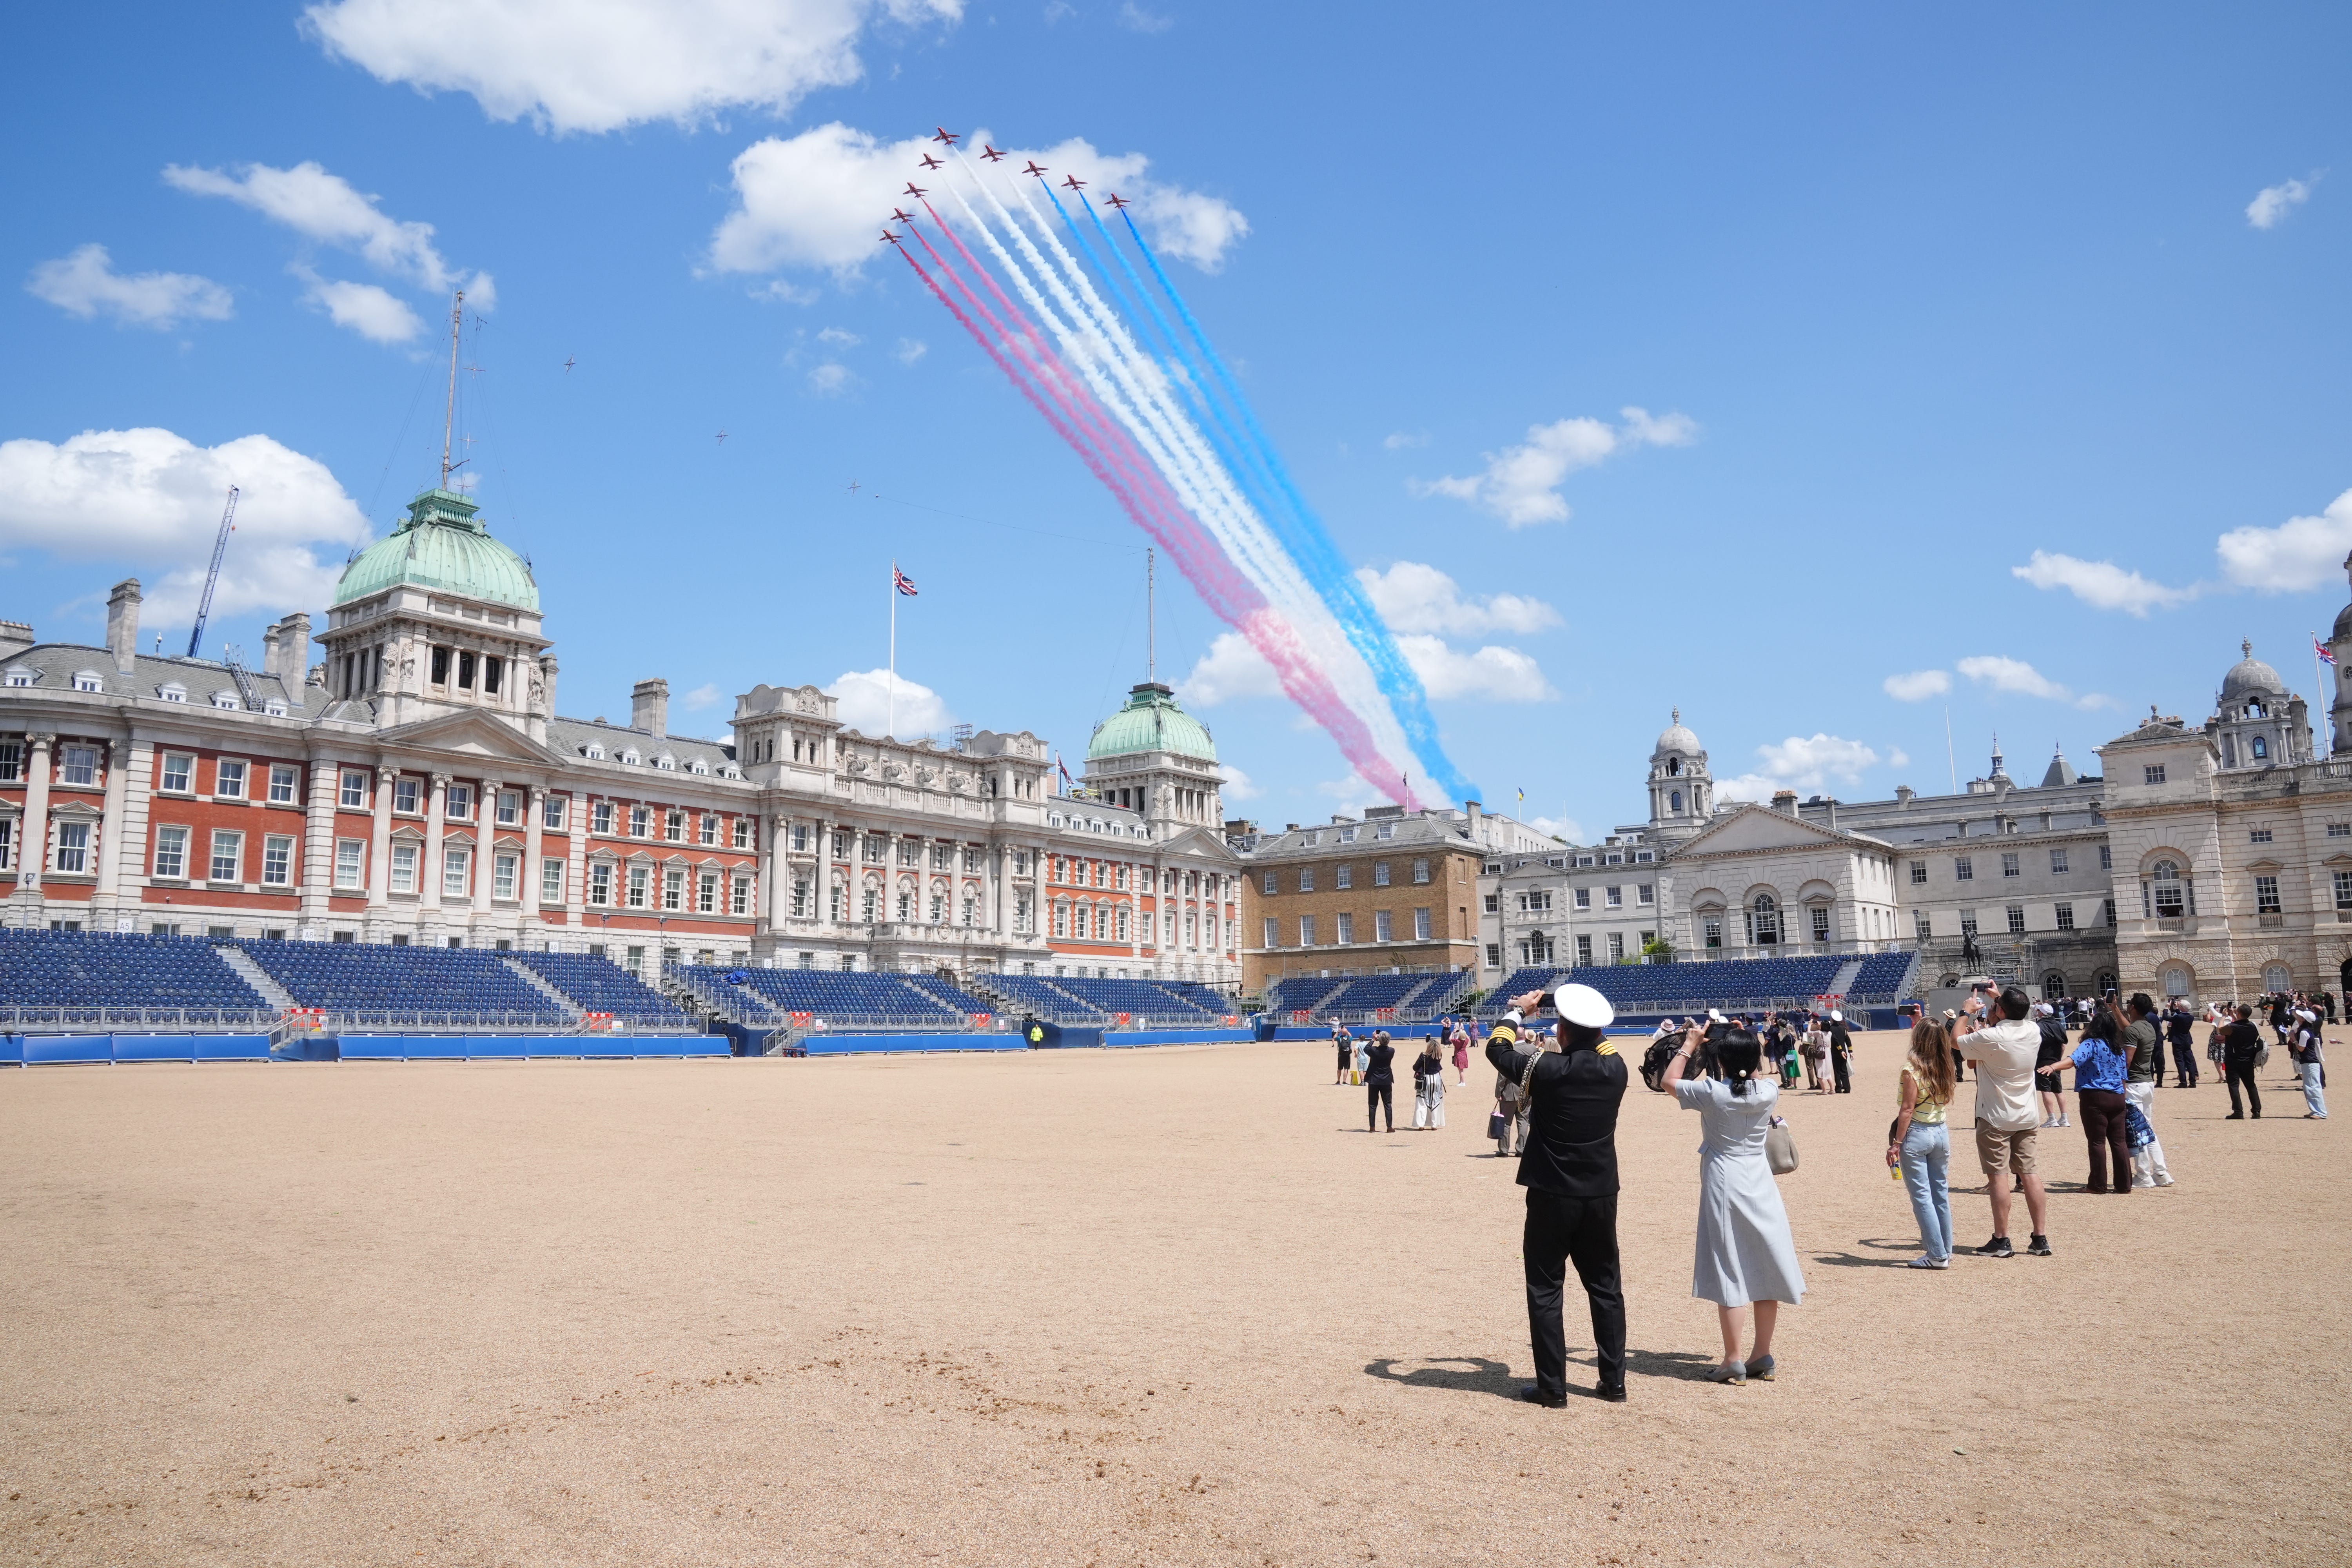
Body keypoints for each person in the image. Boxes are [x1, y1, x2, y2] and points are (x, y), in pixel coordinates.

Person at [1487, 984, 1630, 1406]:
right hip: (1601, 1190)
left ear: (1563, 1030)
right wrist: (1586, 1022)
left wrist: (1519, 1012)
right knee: (1606, 1287)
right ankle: (1614, 1382)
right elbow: (1602, 1046)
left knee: (1546, 1288)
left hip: (1551, 1190)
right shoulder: (1615, 1068)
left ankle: (1553, 1387)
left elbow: (1497, 1048)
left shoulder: (1546, 1068)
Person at [1661, 1023, 1805, 1383]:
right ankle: (1762, 1354)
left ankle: (1733, 1359)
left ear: (1720, 1061)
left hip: (1723, 1177)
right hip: (1759, 1178)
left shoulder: (1712, 1093)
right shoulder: (1769, 1091)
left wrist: (1690, 1044)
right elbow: (1751, 1073)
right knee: (1765, 1264)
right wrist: (1739, 1046)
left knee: (1730, 1266)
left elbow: (1668, 1081)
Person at [1953, 985, 2054, 1258]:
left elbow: (1955, 1041)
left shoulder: (1991, 1036)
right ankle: (2040, 1238)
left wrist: (1966, 1011)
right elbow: (2017, 1013)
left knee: (1998, 1177)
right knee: (2030, 1173)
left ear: (2000, 1011)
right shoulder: (2033, 1031)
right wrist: (1999, 1000)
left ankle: (2002, 1239)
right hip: (2027, 1114)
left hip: (1996, 1115)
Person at [1887, 1020, 1957, 1267]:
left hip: (1918, 1132)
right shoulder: (1946, 1066)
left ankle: (1937, 1255)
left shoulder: (1911, 1070)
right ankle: (1946, 1249)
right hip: (1941, 1131)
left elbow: (1907, 1109)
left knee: (1922, 1197)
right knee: (1940, 1193)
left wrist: (1896, 1143)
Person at [2043, 1005, 2133, 1194]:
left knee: (2097, 1142)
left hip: (2095, 1096)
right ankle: (2124, 1184)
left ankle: (2098, 1185)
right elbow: (2123, 1077)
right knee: (2119, 1142)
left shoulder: (2091, 1044)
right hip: (2118, 1097)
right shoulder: (2118, 1049)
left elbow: (2073, 1060)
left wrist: (2053, 1067)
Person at [2123, 995, 2174, 1188]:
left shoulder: (2132, 1030)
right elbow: (2128, 1028)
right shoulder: (2148, 1027)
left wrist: (2120, 1084)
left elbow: (2127, 1062)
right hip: (2146, 1082)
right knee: (2148, 1129)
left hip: (2134, 1084)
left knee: (2137, 1132)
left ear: (2133, 1007)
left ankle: (2143, 1175)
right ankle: (2161, 1172)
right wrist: (2116, 1009)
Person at [2221, 1004, 2264, 1119]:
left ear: (2239, 1014)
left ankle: (2238, 1111)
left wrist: (2223, 1017)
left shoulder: (2232, 1027)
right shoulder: (2253, 1026)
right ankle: (2257, 1111)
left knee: (2234, 1086)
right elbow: (2241, 1024)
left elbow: (2219, 1030)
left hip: (2233, 1061)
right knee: (2251, 1086)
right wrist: (2234, 1015)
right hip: (2248, 1059)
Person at [2034, 1004, 2070, 1129]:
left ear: (2042, 1014)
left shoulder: (2039, 1027)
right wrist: (2058, 1060)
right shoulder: (2059, 1025)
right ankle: (2064, 1118)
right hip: (2056, 1062)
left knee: (2046, 1090)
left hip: (2042, 1061)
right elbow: (2063, 1045)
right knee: (2058, 1090)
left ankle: (2052, 1118)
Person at [1493, 1053, 1530, 1157]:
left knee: (1506, 1123)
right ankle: (1522, 1149)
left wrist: (1498, 1093)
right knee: (1523, 1121)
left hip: (1510, 1094)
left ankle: (1504, 1150)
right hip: (1525, 1094)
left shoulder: (1507, 1059)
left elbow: (1502, 1078)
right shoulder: (1529, 1057)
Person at [2293, 1016, 2328, 1119]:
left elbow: (2301, 1048)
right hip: (2308, 1062)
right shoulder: (2307, 1030)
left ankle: (2320, 1112)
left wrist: (2294, 1039)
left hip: (2310, 1062)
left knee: (2313, 1088)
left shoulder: (2304, 1032)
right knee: (2309, 1088)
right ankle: (2315, 1110)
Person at [1412, 1035, 1447, 1129]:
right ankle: (1434, 1124)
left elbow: (1415, 1067)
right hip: (1437, 1078)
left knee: (1422, 1101)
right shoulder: (1439, 1055)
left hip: (1426, 1079)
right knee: (1436, 1101)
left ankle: (1421, 1124)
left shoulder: (1423, 1056)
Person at [1363, 1030, 1396, 1133]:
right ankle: (1389, 1127)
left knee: (1373, 1104)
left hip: (1374, 1080)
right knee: (1388, 1104)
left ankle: (1372, 1127)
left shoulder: (1374, 1051)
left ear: (1379, 1040)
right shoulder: (1391, 1051)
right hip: (1386, 1080)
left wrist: (1373, 1039)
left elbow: (1366, 1049)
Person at [2165, 1001, 2199, 1088]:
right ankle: (2193, 1082)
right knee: (2190, 1061)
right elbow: (2181, 1014)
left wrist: (2166, 1008)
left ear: (2183, 1008)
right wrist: (2177, 1008)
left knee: (2180, 1061)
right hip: (2187, 1041)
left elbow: (2166, 1017)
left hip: (2178, 1041)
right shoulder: (2191, 1017)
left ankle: (2183, 1082)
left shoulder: (2179, 1017)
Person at [1827, 1011, 1854, 1094]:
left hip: (1836, 1052)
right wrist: (1851, 1051)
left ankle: (1838, 1088)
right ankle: (1847, 1088)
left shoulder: (1831, 1029)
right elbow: (1848, 1040)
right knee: (1844, 1070)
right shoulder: (1843, 1029)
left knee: (1837, 1071)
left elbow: (1835, 1041)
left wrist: (1840, 1050)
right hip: (1845, 1052)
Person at [1799, 1019, 1829, 1093]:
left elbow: (1805, 1041)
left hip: (1808, 1049)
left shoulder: (1809, 1028)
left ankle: (1812, 1085)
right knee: (1817, 1067)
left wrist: (1802, 1050)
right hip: (1816, 1049)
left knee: (1810, 1068)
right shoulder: (1819, 1028)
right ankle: (1819, 1084)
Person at [1450, 1018, 1472, 1086]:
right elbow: (1468, 1038)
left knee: (1461, 1070)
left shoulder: (1457, 1041)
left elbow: (1450, 1039)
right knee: (1461, 1069)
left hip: (1459, 1055)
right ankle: (1461, 1081)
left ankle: (1463, 1082)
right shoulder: (1465, 1041)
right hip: (1464, 1054)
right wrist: (1464, 1033)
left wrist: (1452, 1033)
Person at [1332, 1022, 1354, 1087]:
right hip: (1348, 1056)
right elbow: (1351, 1036)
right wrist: (1347, 1031)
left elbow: (1334, 1037)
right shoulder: (1350, 1039)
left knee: (1340, 1068)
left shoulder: (1339, 1038)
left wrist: (1339, 1031)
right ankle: (1344, 1081)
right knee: (1346, 1069)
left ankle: (1338, 1081)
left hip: (1341, 1055)